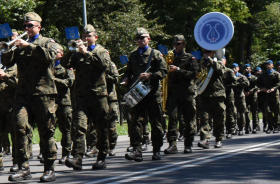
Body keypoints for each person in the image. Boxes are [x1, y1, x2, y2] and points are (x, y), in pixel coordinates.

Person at [3, 12, 60, 183]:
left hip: (44, 94)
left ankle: (49, 168)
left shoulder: (47, 42)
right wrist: (11, 45)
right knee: (20, 128)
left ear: (39, 27)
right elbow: (7, 62)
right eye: (25, 26)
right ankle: (23, 167)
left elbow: (50, 57)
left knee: (46, 131)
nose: (27, 29)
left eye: (30, 26)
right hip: (23, 94)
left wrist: (29, 46)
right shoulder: (20, 45)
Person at [64, 24, 112, 170]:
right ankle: (77, 158)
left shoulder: (101, 51)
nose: (85, 38)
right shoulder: (77, 53)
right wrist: (71, 50)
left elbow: (104, 65)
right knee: (79, 126)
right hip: (81, 96)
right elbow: (64, 64)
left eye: (88, 36)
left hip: (98, 96)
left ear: (95, 37)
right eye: (84, 36)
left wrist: (87, 53)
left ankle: (102, 157)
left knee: (101, 127)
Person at [121, 28, 167, 162]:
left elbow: (164, 71)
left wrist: (150, 75)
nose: (140, 40)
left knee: (156, 122)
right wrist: (126, 78)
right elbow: (129, 71)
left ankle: (156, 149)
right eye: (138, 38)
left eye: (143, 38)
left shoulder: (156, 54)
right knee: (136, 121)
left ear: (149, 39)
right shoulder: (133, 55)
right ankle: (137, 150)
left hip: (152, 93)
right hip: (138, 93)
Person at [164, 35, 199, 153]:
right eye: (174, 44)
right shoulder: (169, 57)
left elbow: (194, 74)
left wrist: (178, 70)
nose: (176, 46)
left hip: (186, 92)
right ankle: (172, 144)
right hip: (173, 92)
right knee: (172, 118)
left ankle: (188, 144)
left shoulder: (190, 58)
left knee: (188, 119)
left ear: (184, 44)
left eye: (178, 44)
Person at [196, 50, 227, 148]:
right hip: (204, 94)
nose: (206, 53)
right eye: (205, 51)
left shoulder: (219, 61)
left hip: (217, 94)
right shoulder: (201, 62)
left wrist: (209, 59)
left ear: (213, 52)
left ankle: (219, 138)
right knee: (204, 118)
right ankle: (205, 139)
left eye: (208, 51)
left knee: (219, 118)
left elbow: (220, 71)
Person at [52, 45, 74, 161]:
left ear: (61, 54)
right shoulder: (48, 65)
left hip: (63, 101)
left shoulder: (66, 67)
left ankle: (66, 153)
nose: (53, 54)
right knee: (48, 128)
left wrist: (54, 80)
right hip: (50, 101)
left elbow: (69, 82)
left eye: (56, 52)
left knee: (65, 129)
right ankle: (51, 151)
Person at [257, 60, 280, 133]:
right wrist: (262, 88)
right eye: (267, 65)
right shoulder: (263, 74)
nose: (268, 66)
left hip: (274, 94)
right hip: (266, 95)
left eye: (269, 64)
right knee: (267, 111)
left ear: (272, 65)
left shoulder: (276, 73)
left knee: (276, 111)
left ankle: (276, 126)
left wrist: (274, 88)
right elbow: (258, 83)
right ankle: (270, 126)